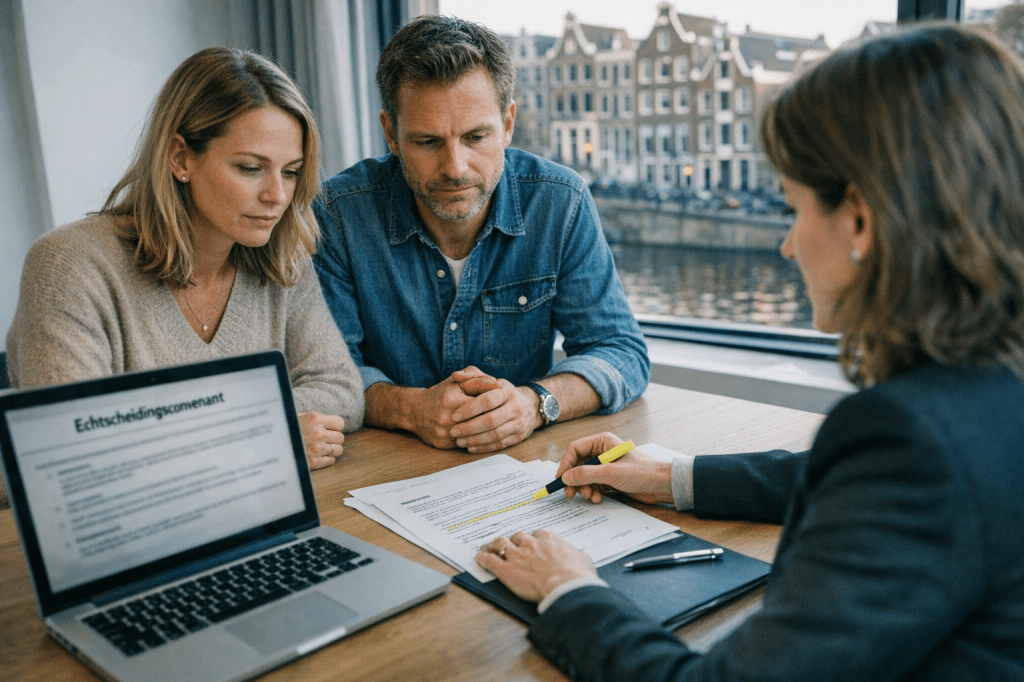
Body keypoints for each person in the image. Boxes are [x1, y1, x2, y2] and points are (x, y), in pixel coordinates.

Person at [476, 23, 1024, 680]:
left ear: (860, 221)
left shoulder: (912, 438)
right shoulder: (987, 393)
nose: (788, 246)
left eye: (794, 209)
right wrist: (675, 478)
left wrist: (570, 589)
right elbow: (873, 484)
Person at [6, 47, 364, 473]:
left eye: (290, 172)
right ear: (180, 159)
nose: (277, 196)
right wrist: (259, 432)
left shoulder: (283, 260)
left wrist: (181, 437)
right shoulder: (69, 266)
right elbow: (77, 452)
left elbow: (342, 390)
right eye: (251, 168)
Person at [313, 16, 649, 454]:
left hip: (518, 471)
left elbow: (621, 350)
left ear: (507, 124)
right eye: (428, 142)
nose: (455, 167)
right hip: (385, 470)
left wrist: (535, 403)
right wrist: (410, 409)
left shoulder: (559, 202)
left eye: (475, 137)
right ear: (391, 134)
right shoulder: (337, 214)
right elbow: (327, 375)